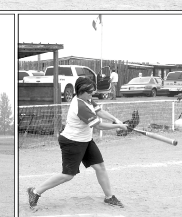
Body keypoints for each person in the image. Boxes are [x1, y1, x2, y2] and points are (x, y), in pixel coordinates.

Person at [27, 77, 128, 209]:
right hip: (72, 142)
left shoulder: (86, 99)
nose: (92, 94)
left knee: (100, 167)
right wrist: (118, 127)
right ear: (81, 91)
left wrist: (116, 119)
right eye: (90, 92)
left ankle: (109, 197)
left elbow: (99, 111)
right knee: (68, 175)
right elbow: (98, 126)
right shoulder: (80, 106)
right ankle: (35, 192)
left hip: (85, 140)